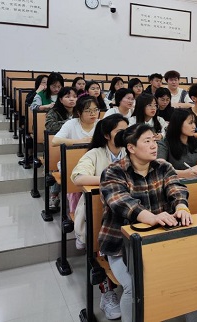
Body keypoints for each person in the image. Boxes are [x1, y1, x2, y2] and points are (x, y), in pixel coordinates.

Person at [99, 124, 197, 322]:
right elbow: (121, 202)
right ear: (131, 148)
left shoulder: (164, 167)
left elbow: (176, 188)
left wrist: (181, 206)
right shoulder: (113, 171)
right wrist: (152, 218)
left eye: (154, 140)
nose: (153, 145)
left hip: (161, 239)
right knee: (135, 285)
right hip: (121, 245)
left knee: (195, 275)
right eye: (146, 141)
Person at [71, 114, 128, 320]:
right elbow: (78, 177)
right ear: (106, 135)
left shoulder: (129, 151)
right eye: (120, 131)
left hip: (126, 213)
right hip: (99, 214)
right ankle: (107, 293)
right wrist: (112, 180)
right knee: (106, 246)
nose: (125, 135)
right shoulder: (95, 154)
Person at [52, 96, 100, 211]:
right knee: (75, 186)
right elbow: (55, 141)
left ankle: (95, 213)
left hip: (94, 164)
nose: (93, 113)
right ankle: (75, 212)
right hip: (72, 164)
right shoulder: (71, 124)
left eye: (95, 110)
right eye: (88, 111)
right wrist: (79, 142)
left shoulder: (101, 124)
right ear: (79, 112)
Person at [157, 109, 197, 177]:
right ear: (178, 124)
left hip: (193, 179)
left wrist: (196, 168)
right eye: (190, 123)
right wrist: (183, 173)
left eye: (194, 122)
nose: (194, 126)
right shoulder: (164, 143)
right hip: (173, 180)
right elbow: (160, 168)